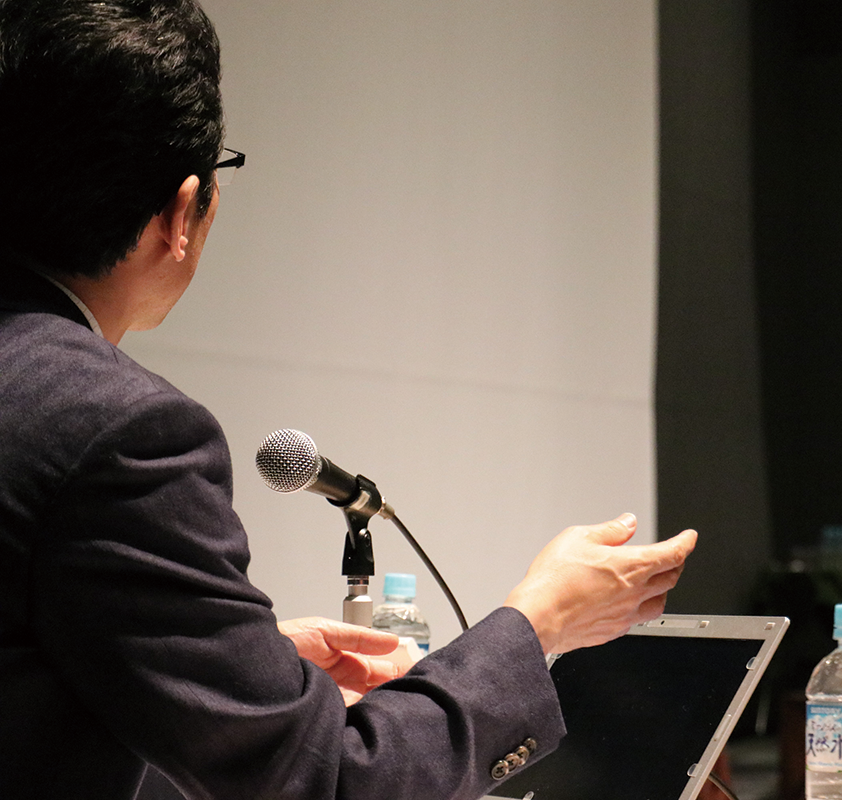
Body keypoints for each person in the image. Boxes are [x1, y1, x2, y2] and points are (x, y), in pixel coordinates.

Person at [0, 2, 697, 799]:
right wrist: (540, 625)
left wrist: (225, 673)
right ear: (182, 212)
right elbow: (329, 782)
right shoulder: (121, 432)